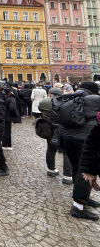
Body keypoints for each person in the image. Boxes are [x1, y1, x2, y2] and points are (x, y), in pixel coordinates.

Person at [56, 82, 100, 220]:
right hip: (84, 138)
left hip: (66, 137)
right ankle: (78, 206)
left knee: (77, 168)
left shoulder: (71, 97)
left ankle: (83, 198)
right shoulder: (95, 99)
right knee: (86, 170)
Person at [38, 87, 73, 184]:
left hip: (49, 128)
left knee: (51, 148)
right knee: (66, 151)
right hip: (64, 128)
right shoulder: (68, 102)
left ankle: (51, 169)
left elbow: (40, 109)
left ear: (50, 94)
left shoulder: (44, 102)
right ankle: (67, 175)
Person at [2, 86, 21, 151]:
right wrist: (16, 115)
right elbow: (12, 108)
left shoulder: (2, 97)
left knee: (3, 130)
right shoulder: (11, 98)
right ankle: (6, 145)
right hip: (8, 116)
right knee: (7, 131)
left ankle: (2, 143)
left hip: (2, 116)